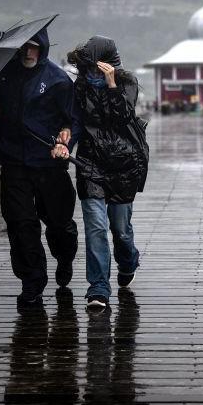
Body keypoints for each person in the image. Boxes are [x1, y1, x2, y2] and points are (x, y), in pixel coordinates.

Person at [0, 28, 80, 308]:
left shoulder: (59, 80)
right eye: (23, 47)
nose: (27, 52)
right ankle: (32, 282)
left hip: (49, 163)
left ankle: (65, 257)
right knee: (20, 223)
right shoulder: (1, 77)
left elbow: (72, 120)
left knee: (59, 224)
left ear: (43, 48)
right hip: (13, 161)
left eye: (34, 47)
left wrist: (66, 140)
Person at [67, 36, 149, 310]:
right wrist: (64, 141)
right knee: (96, 227)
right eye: (87, 68)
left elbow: (123, 117)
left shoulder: (127, 82)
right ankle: (98, 288)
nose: (91, 73)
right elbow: (76, 122)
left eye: (95, 67)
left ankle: (128, 261)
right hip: (91, 164)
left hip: (124, 165)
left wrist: (112, 85)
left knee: (120, 230)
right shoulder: (80, 87)